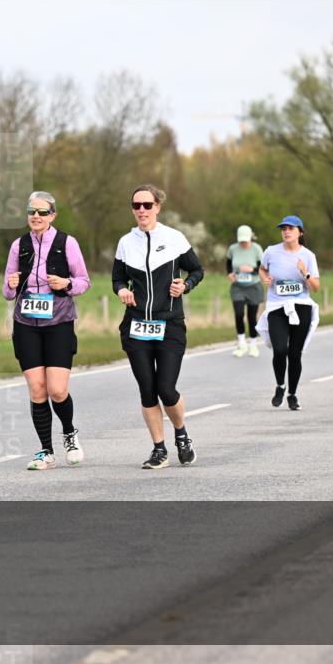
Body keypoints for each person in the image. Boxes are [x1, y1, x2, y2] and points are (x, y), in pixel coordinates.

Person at [113, 185, 204, 470]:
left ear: (157, 207)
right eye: (136, 205)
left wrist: (185, 285)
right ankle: (158, 449)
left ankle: (181, 434)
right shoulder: (126, 242)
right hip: (136, 326)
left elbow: (197, 270)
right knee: (147, 390)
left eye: (147, 205)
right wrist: (121, 292)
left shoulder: (174, 238)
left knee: (166, 388)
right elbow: (117, 279)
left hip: (170, 324)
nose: (141, 210)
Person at [3, 191, 91, 471]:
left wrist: (65, 284)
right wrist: (12, 283)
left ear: (52, 215)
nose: (36, 217)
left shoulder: (68, 243)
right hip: (26, 323)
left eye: (42, 212)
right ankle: (45, 450)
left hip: (59, 323)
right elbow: (7, 291)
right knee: (37, 389)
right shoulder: (19, 245)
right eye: (31, 212)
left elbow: (84, 282)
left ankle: (69, 433)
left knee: (56, 389)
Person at [256, 216, 321, 411]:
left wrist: (305, 273)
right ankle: (280, 386)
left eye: (290, 228)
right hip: (277, 307)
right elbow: (261, 269)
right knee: (280, 349)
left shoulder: (308, 256)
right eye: (283, 228)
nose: (286, 231)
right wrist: (265, 278)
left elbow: (315, 287)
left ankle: (292, 394)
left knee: (294, 354)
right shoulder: (271, 251)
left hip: (301, 306)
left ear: (300, 232)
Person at [226, 225, 264, 357]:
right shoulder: (233, 248)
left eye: (245, 240)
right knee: (238, 314)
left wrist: (252, 270)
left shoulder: (257, 249)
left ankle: (253, 345)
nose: (243, 243)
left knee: (251, 317)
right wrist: (230, 273)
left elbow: (263, 268)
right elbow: (229, 263)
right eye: (241, 240)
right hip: (238, 287)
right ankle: (241, 343)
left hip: (253, 286)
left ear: (250, 238)